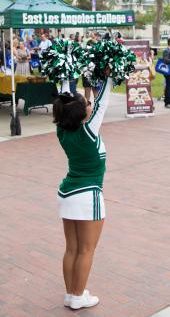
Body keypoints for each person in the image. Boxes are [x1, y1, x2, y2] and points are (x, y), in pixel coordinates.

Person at [54, 75, 112, 310]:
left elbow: (64, 98)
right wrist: (109, 76)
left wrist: (64, 74)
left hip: (68, 194)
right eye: (87, 103)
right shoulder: (88, 131)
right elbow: (103, 103)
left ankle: (71, 294)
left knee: (72, 248)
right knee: (86, 249)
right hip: (88, 195)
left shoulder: (62, 130)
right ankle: (78, 296)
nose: (91, 103)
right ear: (83, 114)